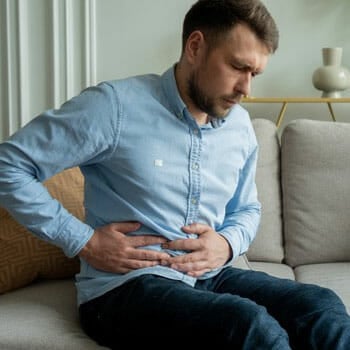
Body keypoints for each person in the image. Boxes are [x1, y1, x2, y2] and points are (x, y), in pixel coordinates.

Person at [0, 0, 350, 348]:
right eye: (237, 67)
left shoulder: (239, 126)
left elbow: (246, 209)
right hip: (125, 290)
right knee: (247, 325)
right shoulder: (114, 107)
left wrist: (226, 245)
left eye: (254, 73)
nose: (247, 89)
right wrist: (84, 241)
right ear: (195, 47)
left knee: (320, 306)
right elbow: (8, 165)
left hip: (209, 277)